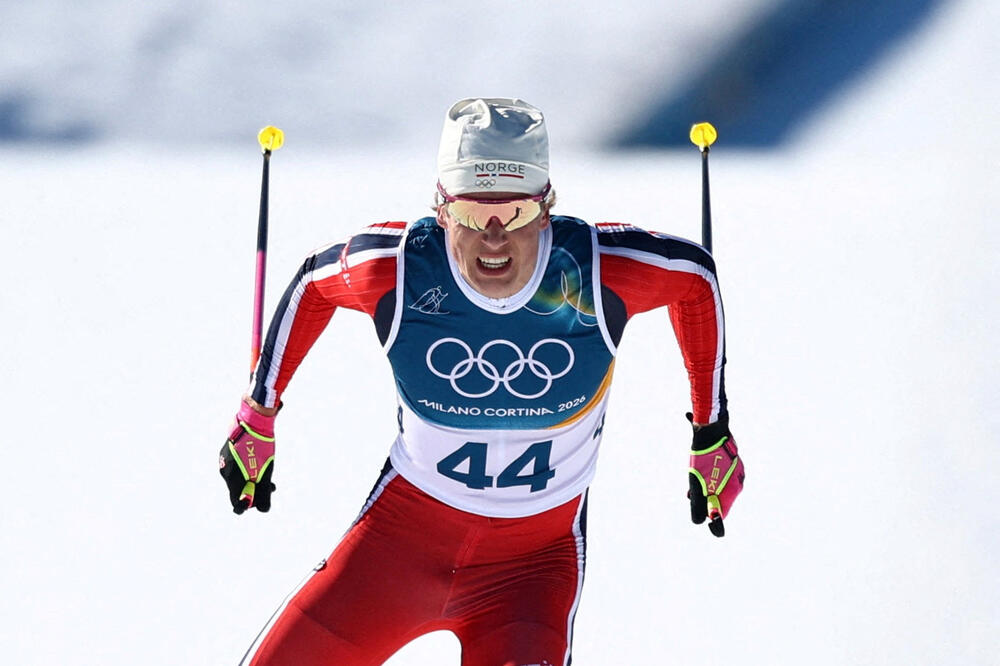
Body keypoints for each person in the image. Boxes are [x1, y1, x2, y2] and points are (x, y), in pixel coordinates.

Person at [219, 97, 745, 666]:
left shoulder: (596, 272)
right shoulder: (397, 267)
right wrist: (259, 413)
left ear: (547, 209)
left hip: (530, 572)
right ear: (441, 209)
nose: (494, 236)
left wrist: (710, 429)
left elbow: (694, 278)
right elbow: (313, 284)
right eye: (472, 213)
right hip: (397, 549)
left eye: (515, 213)